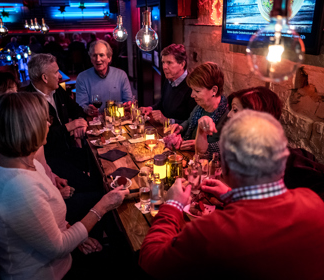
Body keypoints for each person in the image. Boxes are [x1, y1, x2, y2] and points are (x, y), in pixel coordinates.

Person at [139, 110, 324, 280]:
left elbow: (151, 260)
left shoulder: (212, 232)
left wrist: (172, 205)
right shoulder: (314, 203)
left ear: (224, 168)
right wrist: (231, 195)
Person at [0, 91, 129, 279]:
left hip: (61, 259)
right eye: (43, 121)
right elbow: (58, 247)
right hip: (47, 274)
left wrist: (76, 235)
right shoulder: (18, 187)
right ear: (26, 130)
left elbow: (47, 223)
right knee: (123, 265)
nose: (48, 124)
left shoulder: (23, 161)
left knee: (116, 257)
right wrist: (102, 206)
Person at [0, 67, 73, 200]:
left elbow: (38, 164)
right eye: (10, 94)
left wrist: (54, 177)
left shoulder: (19, 123)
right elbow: (14, 187)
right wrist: (56, 194)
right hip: (36, 198)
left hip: (49, 187)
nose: (17, 98)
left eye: (16, 92)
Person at [25, 54, 95, 193]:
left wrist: (80, 123)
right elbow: (39, 139)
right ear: (44, 78)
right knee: (91, 186)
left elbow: (77, 109)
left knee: (98, 162)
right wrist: (69, 127)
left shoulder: (56, 90)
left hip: (68, 150)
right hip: (50, 161)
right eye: (56, 72)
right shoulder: (28, 102)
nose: (60, 76)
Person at [171, 62, 228, 155]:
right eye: (192, 90)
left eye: (197, 91)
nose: (192, 95)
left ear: (214, 90)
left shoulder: (227, 115)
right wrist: (181, 127)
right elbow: (189, 121)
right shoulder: (200, 107)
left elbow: (226, 148)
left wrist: (202, 145)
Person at [140, 44, 196, 124]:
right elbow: (162, 104)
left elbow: (192, 123)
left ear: (182, 64)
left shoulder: (192, 87)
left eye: (169, 63)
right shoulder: (169, 80)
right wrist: (150, 108)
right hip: (165, 130)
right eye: (163, 62)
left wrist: (167, 121)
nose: (164, 67)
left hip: (180, 134)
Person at [75, 39, 133, 115]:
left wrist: (128, 105)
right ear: (91, 59)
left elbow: (128, 101)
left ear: (109, 58)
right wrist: (87, 109)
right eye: (94, 55)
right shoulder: (82, 77)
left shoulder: (121, 75)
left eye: (101, 55)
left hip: (116, 120)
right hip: (94, 121)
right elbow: (81, 105)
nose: (98, 59)